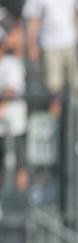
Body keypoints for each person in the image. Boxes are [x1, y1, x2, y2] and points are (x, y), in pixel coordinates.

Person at [23, 0, 78, 115]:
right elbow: (33, 20)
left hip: (71, 45)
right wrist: (32, 45)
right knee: (54, 90)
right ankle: (56, 127)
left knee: (77, 87)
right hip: (49, 46)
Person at [0, 20, 27, 192]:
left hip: (14, 127)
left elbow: (11, 90)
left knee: (19, 165)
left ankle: (19, 203)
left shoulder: (11, 64)